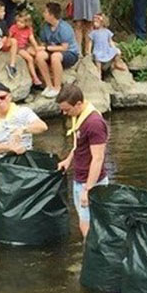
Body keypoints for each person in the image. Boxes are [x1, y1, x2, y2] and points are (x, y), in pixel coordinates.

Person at [56, 83, 109, 238]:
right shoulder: (79, 115)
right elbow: (79, 145)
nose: (64, 113)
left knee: (88, 226)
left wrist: (88, 190)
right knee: (84, 222)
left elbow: (98, 158)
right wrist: (68, 160)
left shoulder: (94, 123)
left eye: (67, 109)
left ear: (78, 104)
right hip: (80, 178)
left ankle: (90, 257)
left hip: (91, 182)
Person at [0, 82, 48, 162]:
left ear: (9, 97)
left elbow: (42, 126)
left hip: (24, 160)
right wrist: (10, 148)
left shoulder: (23, 111)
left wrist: (23, 129)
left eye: (2, 97)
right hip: (1, 164)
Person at [35, 2, 79, 98]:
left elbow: (64, 47)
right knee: (39, 56)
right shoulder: (45, 27)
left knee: (55, 57)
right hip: (53, 51)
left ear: (51, 15)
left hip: (69, 54)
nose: (43, 14)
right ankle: (49, 85)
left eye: (45, 12)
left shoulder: (64, 28)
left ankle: (57, 87)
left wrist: (46, 48)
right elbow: (43, 43)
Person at [7, 9, 43, 85]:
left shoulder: (28, 29)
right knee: (30, 59)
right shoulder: (14, 27)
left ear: (27, 23)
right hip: (18, 48)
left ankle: (41, 71)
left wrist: (36, 47)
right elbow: (9, 38)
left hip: (25, 46)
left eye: (21, 22)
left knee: (37, 53)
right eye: (18, 21)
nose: (18, 23)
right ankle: (34, 77)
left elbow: (32, 39)